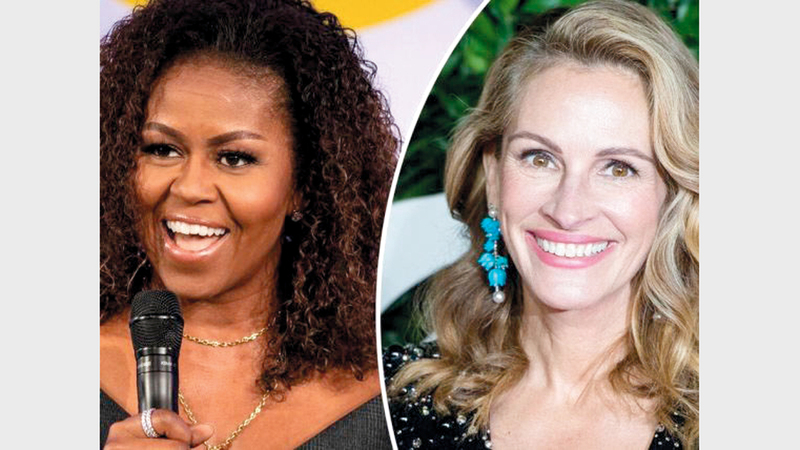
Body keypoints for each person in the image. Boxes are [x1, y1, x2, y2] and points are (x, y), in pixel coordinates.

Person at [385, 0, 698, 448]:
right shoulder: (392, 398)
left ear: (672, 194)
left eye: (618, 168)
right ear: (494, 176)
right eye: (539, 158)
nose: (568, 210)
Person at [100, 0, 398, 448]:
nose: (190, 187)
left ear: (303, 184)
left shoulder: (386, 402)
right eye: (162, 149)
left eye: (235, 158)